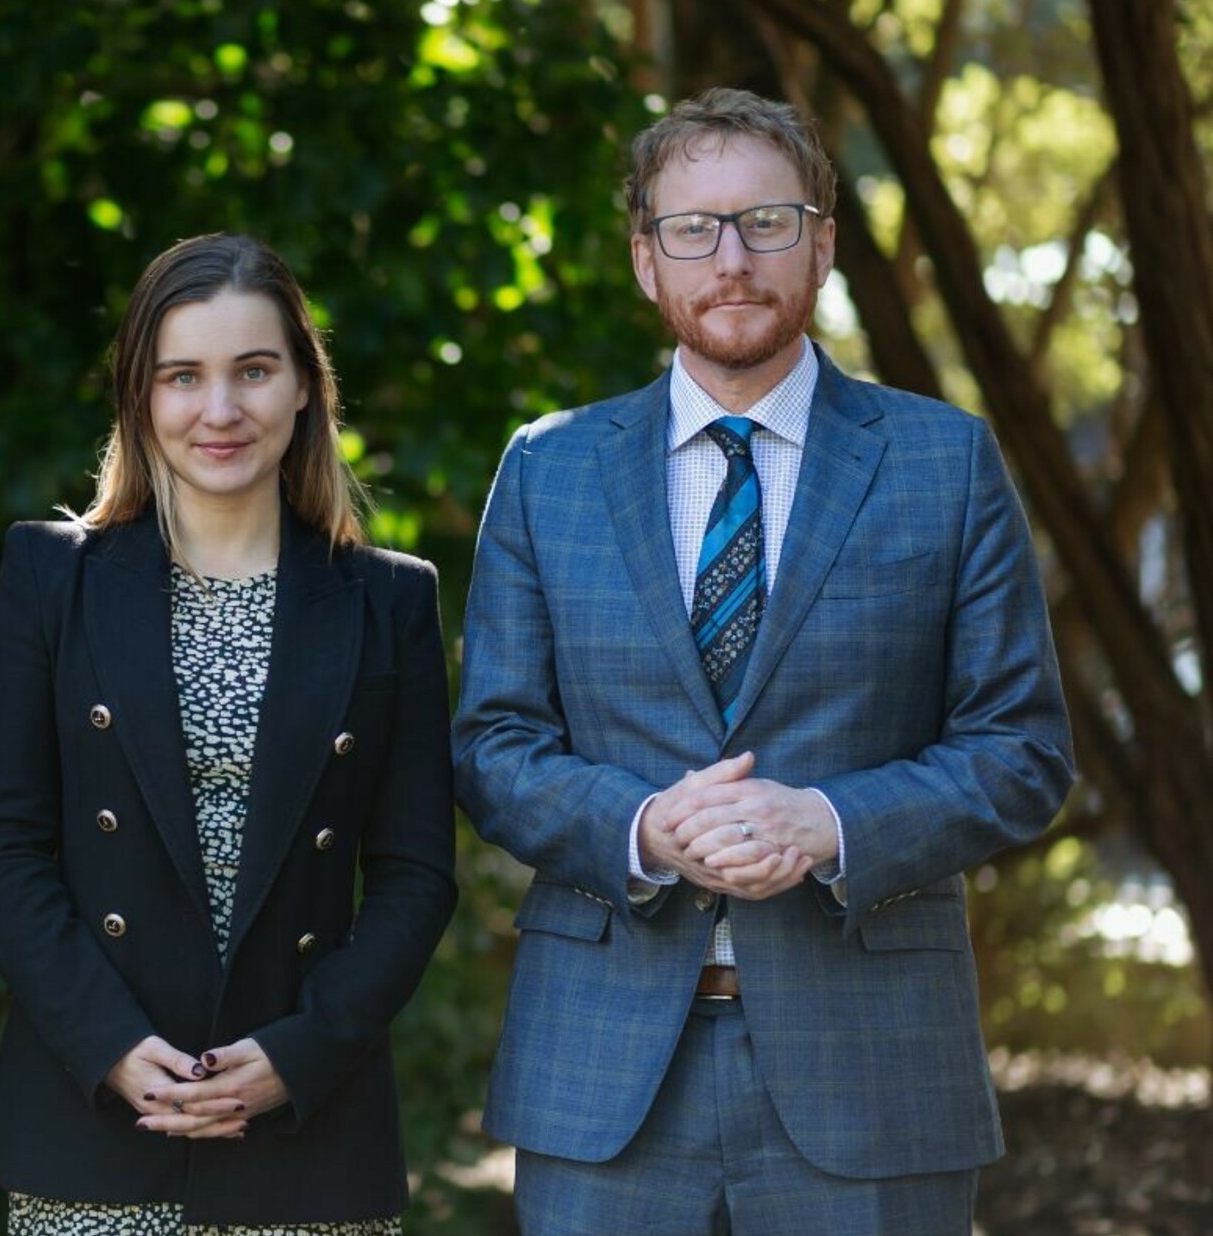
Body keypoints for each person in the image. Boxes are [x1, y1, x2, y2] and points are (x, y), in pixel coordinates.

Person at [453, 88, 1074, 1235]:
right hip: (603, 1068)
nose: (730, 258)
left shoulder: (944, 460)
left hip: (874, 1064)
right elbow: (493, 746)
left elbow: (1022, 748)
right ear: (646, 259)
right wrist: (643, 822)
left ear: (823, 243)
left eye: (767, 222)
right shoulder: (549, 468)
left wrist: (827, 821)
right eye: (692, 228)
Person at [0, 233, 457, 1233]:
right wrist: (107, 1041)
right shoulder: (50, 578)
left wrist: (300, 1051)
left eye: (254, 371)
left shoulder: (387, 599)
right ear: (139, 395)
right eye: (181, 375)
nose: (219, 410)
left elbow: (414, 874)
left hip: (308, 1129)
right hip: (94, 1120)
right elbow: (5, 845)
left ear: (306, 388)